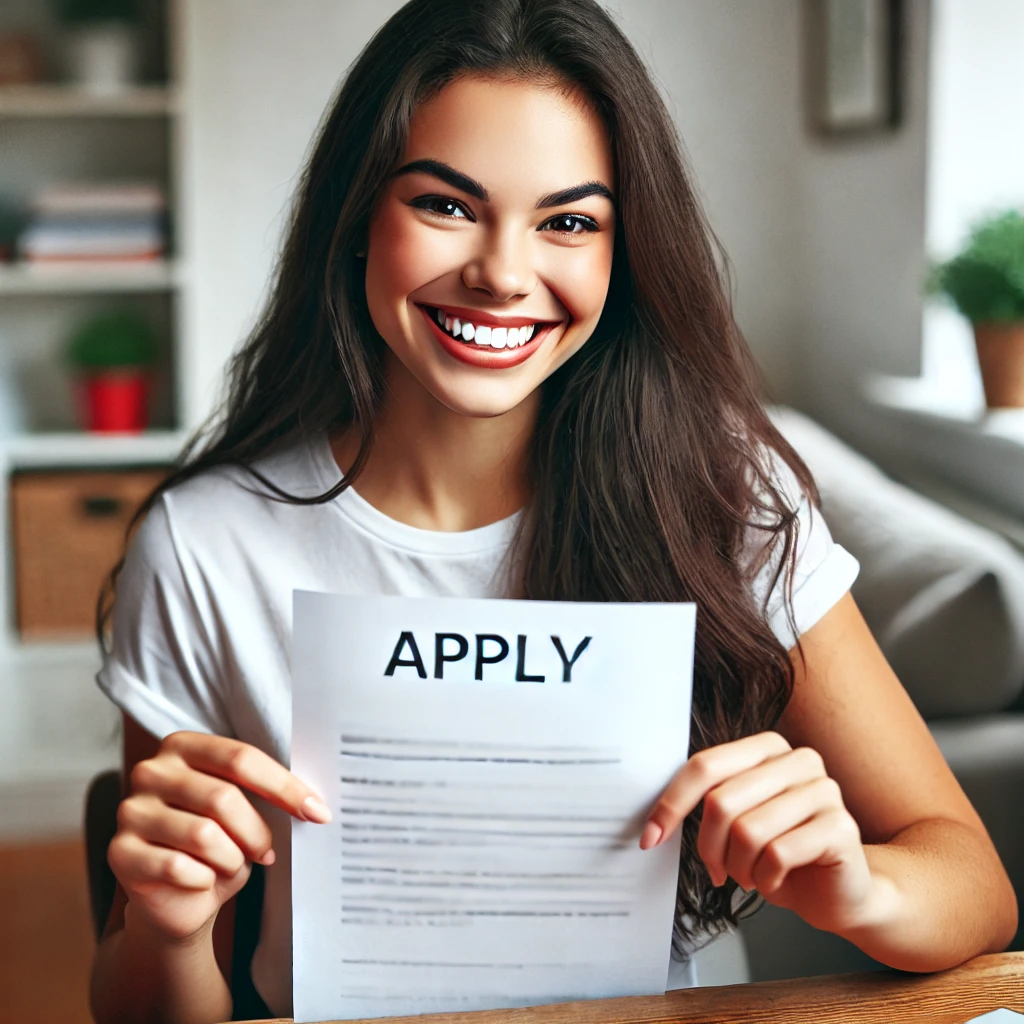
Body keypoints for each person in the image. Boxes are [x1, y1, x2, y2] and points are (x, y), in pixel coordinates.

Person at [88, 1, 1016, 1022]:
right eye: (445, 205)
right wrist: (166, 924)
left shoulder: (723, 496)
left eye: (568, 221)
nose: (502, 273)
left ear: (622, 257)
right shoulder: (204, 546)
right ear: (356, 220)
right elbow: (145, 1004)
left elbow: (973, 885)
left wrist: (858, 886)